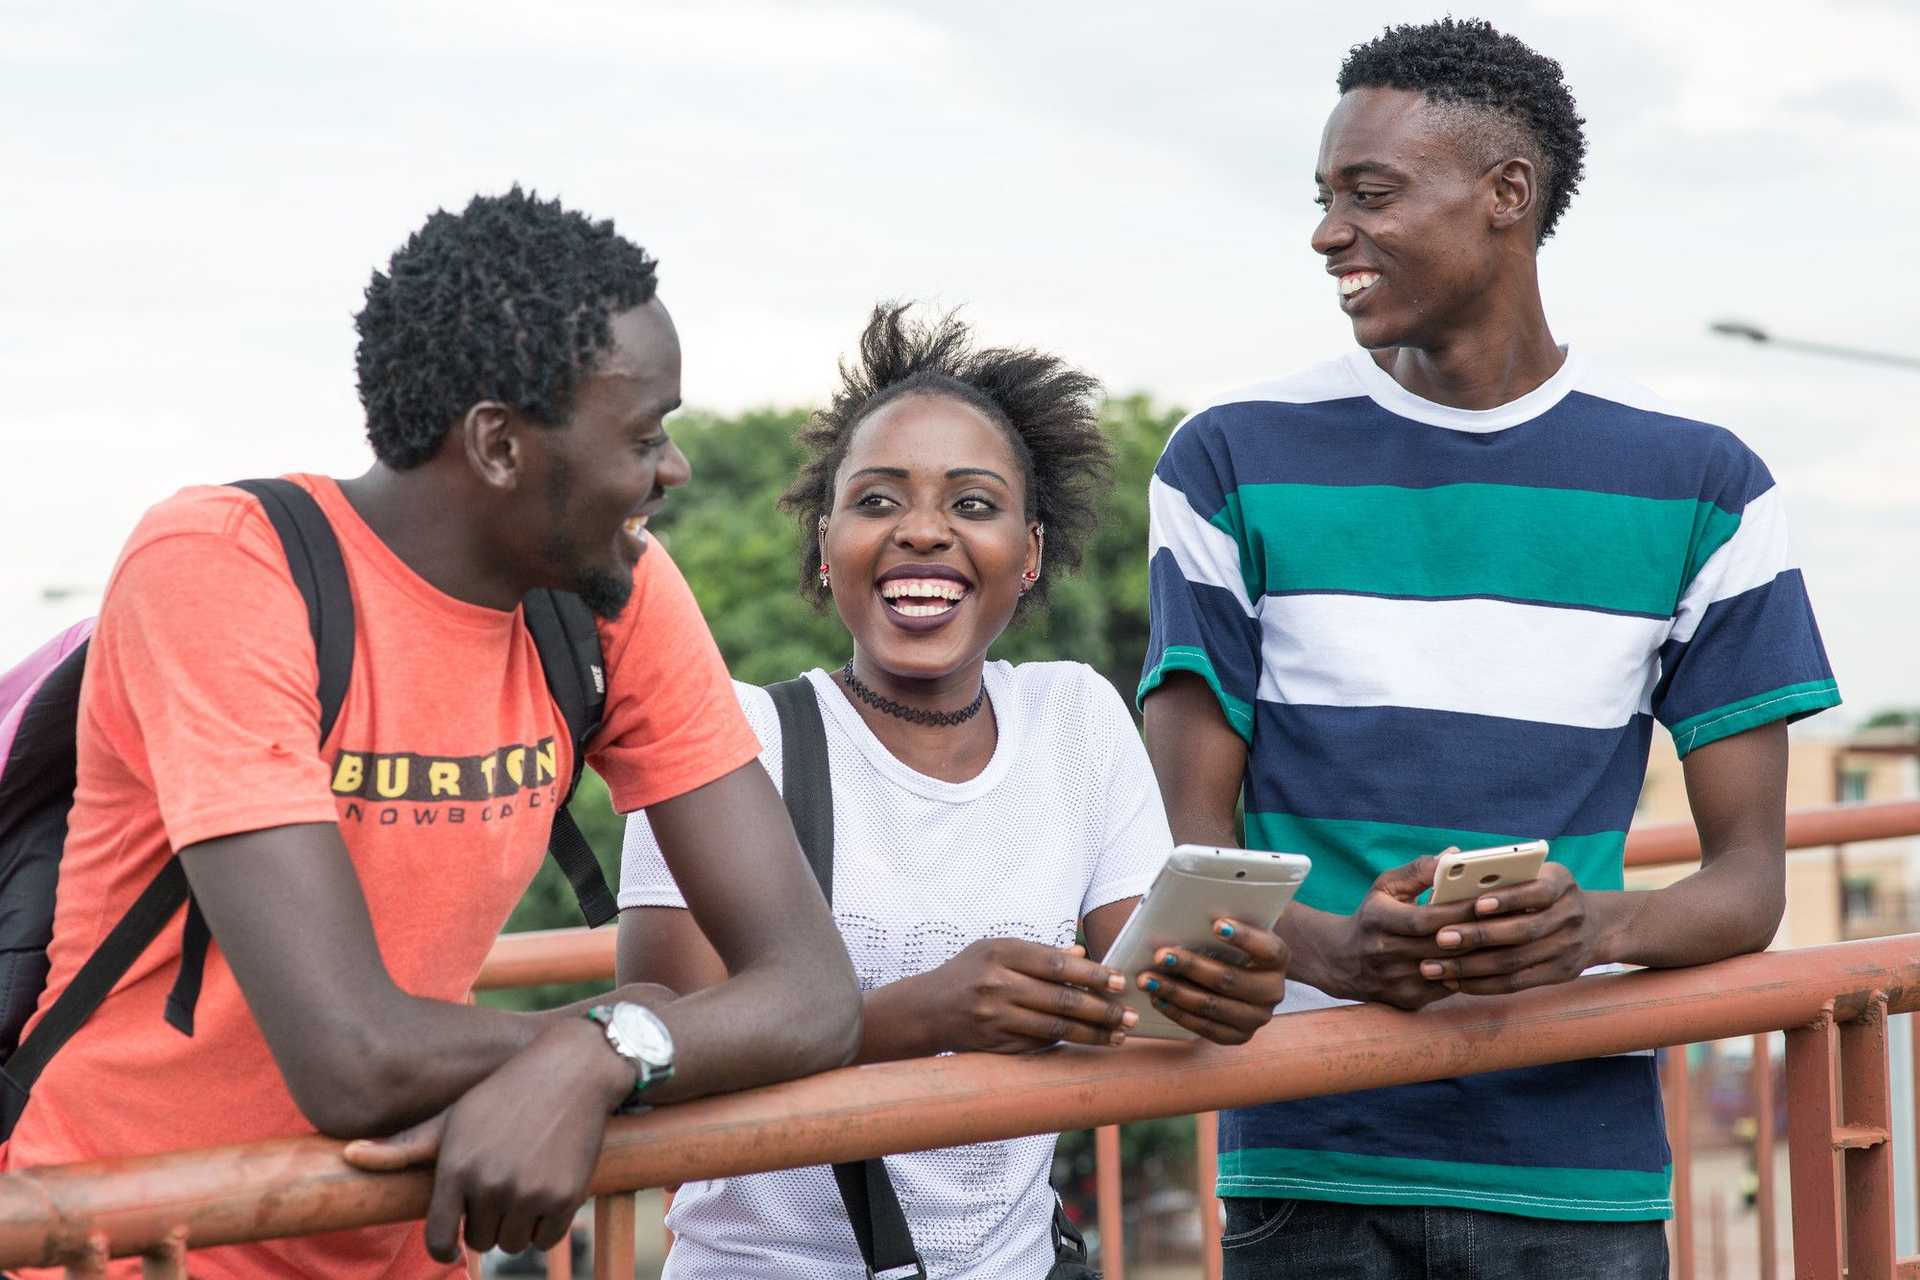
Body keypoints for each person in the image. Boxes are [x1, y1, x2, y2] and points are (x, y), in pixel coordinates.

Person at [0, 189, 861, 1278]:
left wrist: (609, 1048)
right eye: (644, 434)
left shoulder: (614, 594)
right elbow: (351, 1056)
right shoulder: (222, 565)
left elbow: (813, 989)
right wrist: (620, 1027)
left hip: (408, 1239)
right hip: (126, 1236)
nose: (673, 469)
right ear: (499, 443)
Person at [1139, 19, 1839, 1280]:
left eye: (1370, 193)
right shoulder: (1228, 461)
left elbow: (1751, 882)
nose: (1326, 234)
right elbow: (1179, 842)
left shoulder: (1706, 490)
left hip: (1579, 1178)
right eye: (1323, 197)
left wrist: (1592, 925)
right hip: (1309, 1159)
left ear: (1505, 196)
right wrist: (1329, 944)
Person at [618, 303, 1291, 1278]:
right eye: (878, 500)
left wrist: (1226, 983)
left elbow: (1143, 989)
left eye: (972, 503)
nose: (922, 530)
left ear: (1028, 551)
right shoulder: (735, 735)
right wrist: (920, 1017)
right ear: (824, 541)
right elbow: (662, 1045)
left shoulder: (1073, 716)